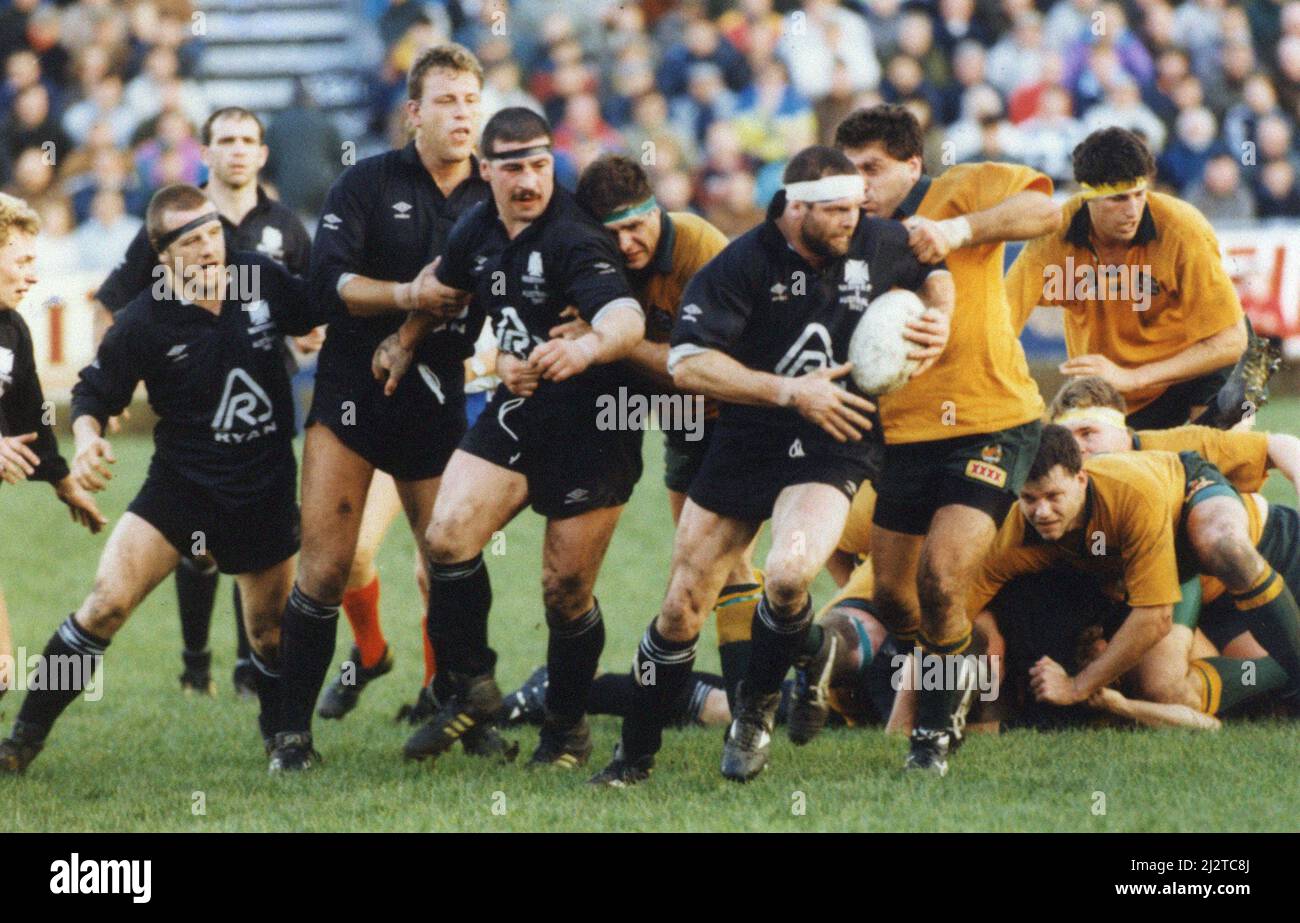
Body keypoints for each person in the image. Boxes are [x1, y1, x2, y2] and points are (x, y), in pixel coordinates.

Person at [590, 145, 954, 787]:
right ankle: (632, 759)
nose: (854, 217)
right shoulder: (742, 263)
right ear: (794, 208)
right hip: (750, 438)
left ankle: (752, 715)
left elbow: (935, 265)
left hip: (835, 438)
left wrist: (941, 318)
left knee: (788, 575)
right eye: (837, 210)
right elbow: (687, 364)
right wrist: (789, 390)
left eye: (855, 206)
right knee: (680, 608)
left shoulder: (877, 240)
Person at [0, 184, 319, 773]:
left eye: (213, 232)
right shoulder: (146, 319)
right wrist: (91, 437)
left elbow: (319, 310)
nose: (208, 247)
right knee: (104, 606)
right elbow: (92, 393)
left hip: (262, 483)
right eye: (190, 239)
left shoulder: (259, 278)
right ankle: (22, 740)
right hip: (180, 488)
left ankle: (287, 741)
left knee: (269, 633)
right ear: (162, 253)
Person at [385, 107, 646, 770]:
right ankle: (473, 686)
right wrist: (403, 341)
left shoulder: (574, 236)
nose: (530, 180)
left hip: (594, 420)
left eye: (538, 163)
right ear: (485, 169)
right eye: (513, 167)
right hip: (522, 405)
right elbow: (444, 288)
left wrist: (587, 347)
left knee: (564, 590)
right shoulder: (478, 226)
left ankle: (567, 728)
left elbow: (625, 316)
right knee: (445, 536)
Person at [269, 43, 504, 772]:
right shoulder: (367, 182)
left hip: (438, 394)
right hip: (353, 389)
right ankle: (289, 734)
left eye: (470, 100)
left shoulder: (494, 193)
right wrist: (406, 297)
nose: (462, 115)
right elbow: (328, 283)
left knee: (451, 555)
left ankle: (462, 706)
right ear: (413, 113)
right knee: (327, 565)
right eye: (446, 101)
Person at [832, 103, 1060, 775]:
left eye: (871, 169)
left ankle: (933, 736)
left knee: (940, 578)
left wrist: (958, 229)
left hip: (992, 420)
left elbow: (1045, 210)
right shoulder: (850, 233)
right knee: (894, 597)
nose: (859, 185)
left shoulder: (961, 187)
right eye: (848, 173)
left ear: (912, 164)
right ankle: (953, 679)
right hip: (903, 434)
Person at [93, 106, 314, 699]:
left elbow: (310, 302)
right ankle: (197, 663)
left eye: (248, 140)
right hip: (194, 405)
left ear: (263, 153)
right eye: (225, 140)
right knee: (197, 550)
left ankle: (253, 676)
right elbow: (116, 304)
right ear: (206, 151)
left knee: (255, 556)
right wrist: (109, 389)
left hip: (263, 395)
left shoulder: (284, 229)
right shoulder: (175, 217)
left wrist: (313, 331)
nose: (238, 150)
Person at [570, 154, 760, 710]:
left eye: (636, 227)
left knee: (720, 564)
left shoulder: (700, 248)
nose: (627, 245)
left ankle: (748, 708)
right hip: (678, 425)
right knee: (696, 565)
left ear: (657, 209)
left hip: (735, 419)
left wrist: (613, 339)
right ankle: (759, 682)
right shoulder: (595, 259)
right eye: (614, 234)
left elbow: (706, 368)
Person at [967, 425, 1300, 719]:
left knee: (1223, 546)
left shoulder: (1134, 487)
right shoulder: (1014, 530)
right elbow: (955, 609)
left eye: (1053, 496)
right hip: (1149, 575)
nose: (1041, 511)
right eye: (1030, 498)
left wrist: (1077, 686)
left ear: (1081, 477)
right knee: (1162, 690)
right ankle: (1277, 680)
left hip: (1188, 522)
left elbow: (1155, 617)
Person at [1005, 126, 1259, 431]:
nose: (1133, 210)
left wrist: (1135, 377)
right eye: (1119, 199)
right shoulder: (1054, 237)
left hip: (1199, 361)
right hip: (1117, 389)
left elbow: (1231, 341)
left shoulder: (1183, 229)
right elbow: (1000, 321)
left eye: (1140, 194)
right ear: (1087, 197)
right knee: (1101, 471)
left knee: (1220, 449)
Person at [0, 192, 105, 704]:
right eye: (21, 260)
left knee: (0, 667)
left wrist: (65, 484)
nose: (32, 275)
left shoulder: (12, 328)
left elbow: (29, 414)